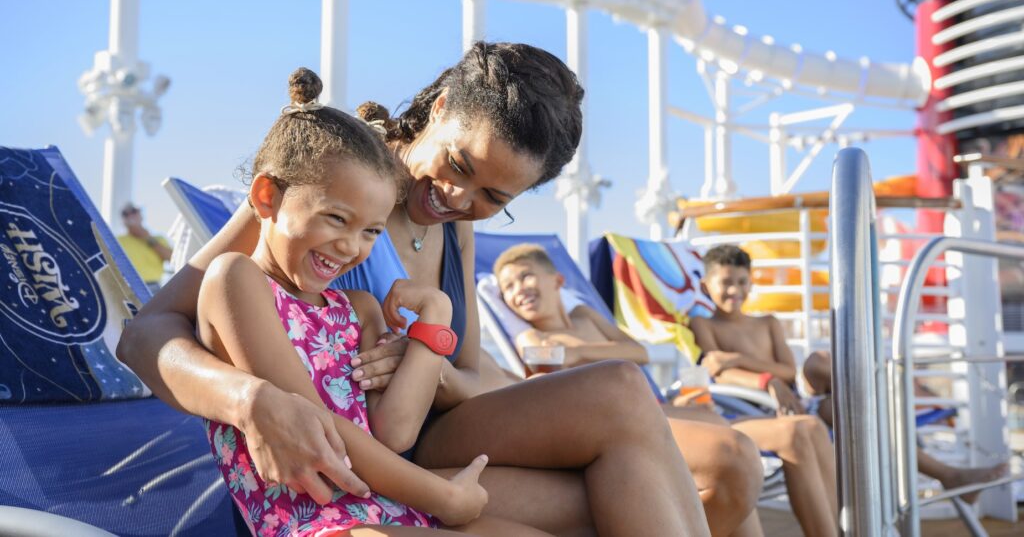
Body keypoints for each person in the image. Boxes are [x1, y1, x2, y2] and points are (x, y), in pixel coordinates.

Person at [118, 43, 715, 537]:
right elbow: (146, 335)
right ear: (441, 106)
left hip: (416, 432)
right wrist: (250, 401)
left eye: (493, 199)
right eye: (459, 165)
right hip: (365, 465)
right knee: (624, 469)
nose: (459, 199)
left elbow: (470, 376)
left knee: (663, 436)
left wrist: (426, 356)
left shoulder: (452, 232)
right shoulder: (333, 175)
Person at [493, 243, 839, 537]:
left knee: (727, 439)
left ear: (557, 281)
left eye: (524, 276)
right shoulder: (534, 340)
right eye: (506, 287)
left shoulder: (584, 315)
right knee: (730, 447)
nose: (517, 289)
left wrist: (580, 352)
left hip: (654, 405)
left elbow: (638, 352)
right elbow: (574, 362)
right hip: (619, 418)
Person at [691, 244, 1009, 509]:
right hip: (758, 409)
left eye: (743, 282)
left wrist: (740, 359)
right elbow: (719, 373)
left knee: (819, 362)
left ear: (751, 283)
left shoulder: (768, 323)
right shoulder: (704, 325)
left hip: (797, 402)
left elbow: (787, 371)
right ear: (707, 285)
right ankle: (944, 470)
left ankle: (885, 405)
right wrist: (765, 380)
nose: (736, 290)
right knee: (856, 412)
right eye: (726, 282)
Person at [118, 202, 172, 293]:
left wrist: (146, 238)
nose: (130, 215)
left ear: (140, 215)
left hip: (153, 287)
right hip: (126, 287)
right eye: (125, 214)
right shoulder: (117, 241)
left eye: (133, 211)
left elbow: (171, 258)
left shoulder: (159, 239)